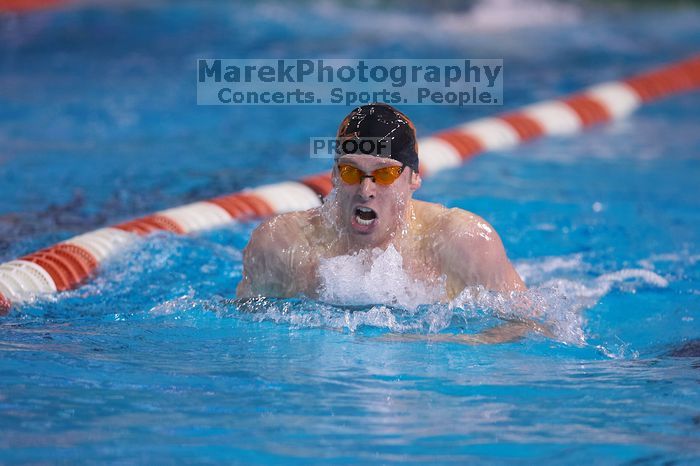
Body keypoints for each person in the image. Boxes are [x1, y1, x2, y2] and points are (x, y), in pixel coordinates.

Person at [236, 104, 537, 343]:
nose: (366, 189)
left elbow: (530, 324)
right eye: (352, 172)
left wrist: (427, 342)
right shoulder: (282, 245)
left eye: (384, 174)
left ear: (414, 178)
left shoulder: (461, 241)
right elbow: (244, 332)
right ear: (335, 176)